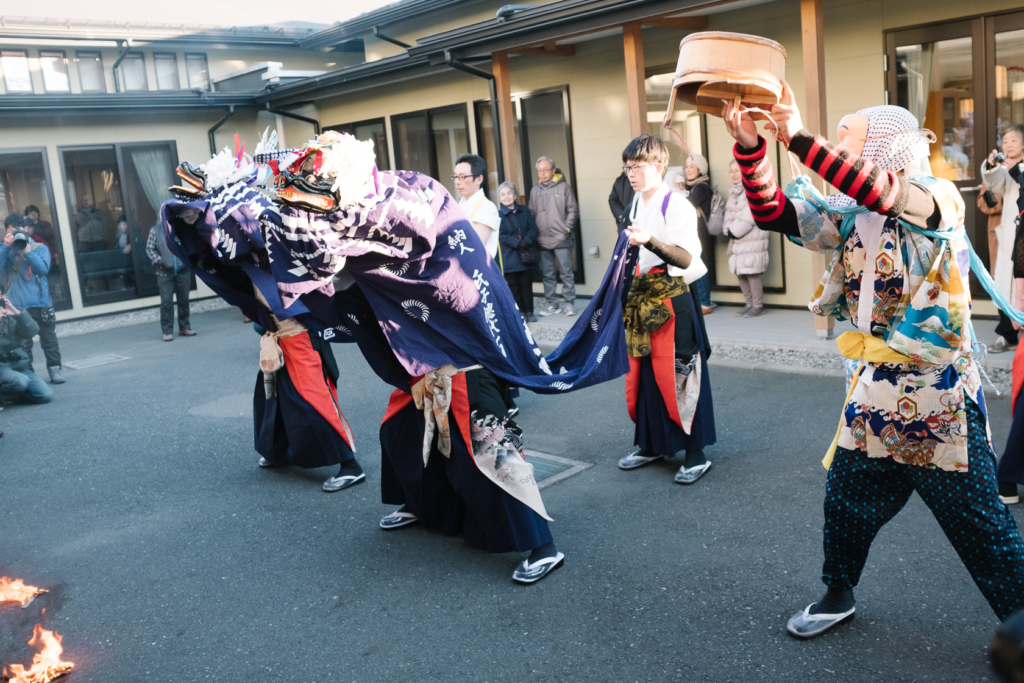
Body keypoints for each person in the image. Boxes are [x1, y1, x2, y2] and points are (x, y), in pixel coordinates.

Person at [723, 84, 1024, 638]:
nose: (837, 145)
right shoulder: (850, 215)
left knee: (981, 525)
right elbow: (774, 213)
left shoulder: (937, 198)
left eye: (848, 137)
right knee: (845, 503)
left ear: (885, 147)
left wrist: (795, 135)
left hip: (936, 397)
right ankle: (837, 595)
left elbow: (884, 191)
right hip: (870, 393)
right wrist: (751, 148)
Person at [616, 135, 717, 485]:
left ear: (658, 166)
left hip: (674, 297)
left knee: (682, 370)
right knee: (643, 371)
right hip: (643, 296)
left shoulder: (677, 204)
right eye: (627, 167)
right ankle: (651, 443)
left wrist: (650, 242)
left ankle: (695, 452)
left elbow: (687, 258)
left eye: (637, 167)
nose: (631, 173)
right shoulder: (635, 202)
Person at [252, 319, 366, 493]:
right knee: (276, 398)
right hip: (278, 338)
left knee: (315, 403)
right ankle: (277, 451)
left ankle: (350, 465)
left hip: (300, 337)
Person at [1, 217, 64, 384]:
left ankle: (55, 370)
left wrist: (27, 251)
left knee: (49, 339)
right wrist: (6, 246)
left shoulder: (39, 247)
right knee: (23, 344)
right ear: (6, 231)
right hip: (17, 307)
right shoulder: (4, 251)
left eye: (18, 229)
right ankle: (29, 374)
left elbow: (42, 269)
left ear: (25, 229)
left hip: (41, 303)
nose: (15, 233)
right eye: (11, 230)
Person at [981, 124, 1024, 353]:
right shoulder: (1004, 168)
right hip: (1010, 231)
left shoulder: (1018, 168)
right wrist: (990, 166)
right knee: (1004, 281)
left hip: (1022, 231)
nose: (1008, 145)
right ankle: (1007, 334)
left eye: (1013, 141)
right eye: (1005, 141)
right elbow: (994, 185)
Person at [529, 156, 579, 317]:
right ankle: (552, 304)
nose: (542, 173)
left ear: (553, 170)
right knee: (547, 274)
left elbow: (573, 209)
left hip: (561, 238)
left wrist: (567, 228)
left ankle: (569, 303)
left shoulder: (564, 187)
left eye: (545, 169)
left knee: (566, 272)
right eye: (539, 170)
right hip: (541, 238)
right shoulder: (534, 190)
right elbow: (531, 213)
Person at [723, 159, 769, 317]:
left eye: (737, 170)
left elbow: (749, 216)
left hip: (752, 237)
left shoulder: (753, 188)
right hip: (738, 238)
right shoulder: (733, 190)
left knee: (751, 273)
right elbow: (728, 212)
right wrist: (727, 228)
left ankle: (758, 305)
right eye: (732, 171)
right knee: (740, 272)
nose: (734, 174)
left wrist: (732, 231)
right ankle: (749, 304)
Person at [497, 181, 539, 322]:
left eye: (509, 193)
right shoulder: (498, 215)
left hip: (526, 254)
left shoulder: (525, 211)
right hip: (509, 256)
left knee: (527, 285)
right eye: (503, 194)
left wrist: (527, 240)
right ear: (500, 198)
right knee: (514, 286)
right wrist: (517, 243)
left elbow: (533, 228)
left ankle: (529, 312)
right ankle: (519, 313)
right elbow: (501, 235)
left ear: (515, 195)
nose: (506, 197)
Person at [146, 222, 194, 342]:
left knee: (184, 300)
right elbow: (149, 249)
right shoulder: (155, 230)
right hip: (164, 273)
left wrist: (187, 260)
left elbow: (191, 246)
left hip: (183, 271)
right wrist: (161, 261)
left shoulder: (181, 229)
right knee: (166, 302)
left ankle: (184, 327)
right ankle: (167, 331)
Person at [0, 292, 52, 405]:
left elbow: (32, 332)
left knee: (45, 395)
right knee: (20, 381)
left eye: (1, 296)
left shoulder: (12, 315)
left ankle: (11, 395)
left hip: (18, 366)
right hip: (1, 367)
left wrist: (18, 314)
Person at [682, 154, 715, 315]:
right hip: (694, 233)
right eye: (687, 167)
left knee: (698, 266)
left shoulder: (701, 187)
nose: (688, 170)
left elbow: (685, 206)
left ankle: (705, 303)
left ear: (700, 170)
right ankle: (700, 301)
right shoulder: (692, 187)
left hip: (700, 234)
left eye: (692, 167)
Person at [452, 153, 500, 260]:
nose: (457, 182)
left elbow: (473, 246)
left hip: (478, 272)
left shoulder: (486, 207)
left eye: (463, 177)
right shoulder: (457, 205)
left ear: (479, 179)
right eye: (455, 177)